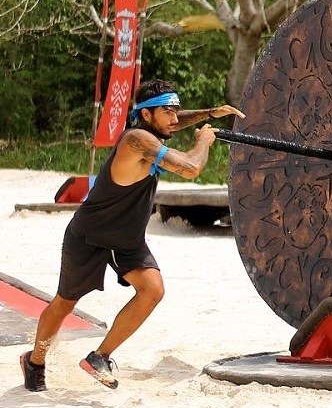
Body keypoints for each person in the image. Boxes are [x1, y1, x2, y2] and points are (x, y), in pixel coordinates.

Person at [20, 79, 244, 391]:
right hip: (90, 236)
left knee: (152, 290)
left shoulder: (151, 128)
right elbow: (191, 168)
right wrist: (204, 140)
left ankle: (99, 356)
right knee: (65, 303)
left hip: (127, 240)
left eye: (176, 111)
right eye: (167, 111)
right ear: (147, 115)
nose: (175, 118)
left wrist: (209, 112)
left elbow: (171, 123)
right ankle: (35, 362)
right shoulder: (137, 140)